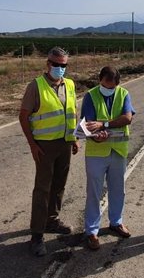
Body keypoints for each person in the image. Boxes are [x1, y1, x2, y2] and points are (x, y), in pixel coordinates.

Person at [19, 47, 81, 257]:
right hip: (44, 145)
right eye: (56, 64)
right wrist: (32, 144)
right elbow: (24, 116)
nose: (60, 68)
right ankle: (37, 235)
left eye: (64, 65)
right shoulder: (35, 86)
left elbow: (71, 112)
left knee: (59, 185)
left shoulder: (70, 84)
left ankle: (51, 221)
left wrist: (74, 138)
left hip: (64, 142)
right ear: (48, 64)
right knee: (43, 189)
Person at [81, 66, 135, 250]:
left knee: (118, 189)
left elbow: (127, 118)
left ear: (117, 84)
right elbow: (88, 124)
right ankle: (92, 231)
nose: (109, 89)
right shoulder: (91, 96)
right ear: (100, 80)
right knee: (94, 193)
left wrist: (103, 124)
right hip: (96, 153)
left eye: (112, 87)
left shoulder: (124, 94)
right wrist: (96, 136)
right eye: (106, 85)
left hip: (118, 151)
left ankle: (116, 222)